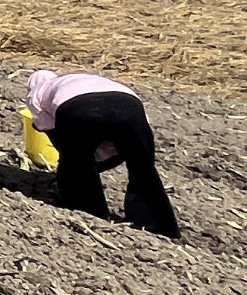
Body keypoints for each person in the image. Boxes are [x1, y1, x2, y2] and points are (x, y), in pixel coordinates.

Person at [25, 70, 181, 240]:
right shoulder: (84, 80)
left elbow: (47, 128)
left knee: (77, 163)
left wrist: (75, 160)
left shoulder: (38, 90)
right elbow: (129, 134)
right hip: (130, 106)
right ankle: (157, 224)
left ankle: (89, 213)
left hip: (78, 109)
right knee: (143, 166)